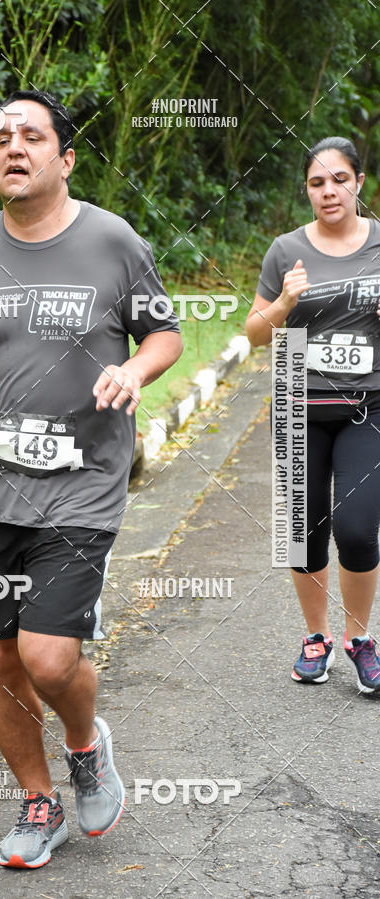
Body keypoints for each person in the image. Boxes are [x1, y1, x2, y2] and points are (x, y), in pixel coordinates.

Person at [0, 89, 183, 868]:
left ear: (64, 158)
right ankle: (38, 802)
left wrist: (133, 368)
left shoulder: (113, 241)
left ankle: (85, 743)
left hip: (80, 480)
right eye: (0, 137)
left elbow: (163, 332)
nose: (12, 147)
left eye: (30, 136)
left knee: (49, 656)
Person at [246, 136, 380, 693]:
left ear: (359, 183)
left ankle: (359, 640)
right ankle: (316, 638)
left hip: (366, 405)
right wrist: (282, 306)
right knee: (302, 533)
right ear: (307, 190)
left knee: (356, 527)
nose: (329, 191)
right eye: (317, 183)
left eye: (339, 180)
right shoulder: (285, 250)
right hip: (299, 399)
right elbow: (256, 334)